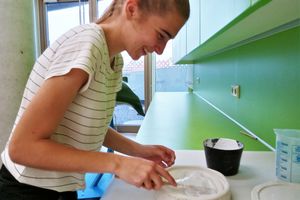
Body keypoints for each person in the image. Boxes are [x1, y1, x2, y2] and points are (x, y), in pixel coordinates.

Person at [0, 0, 190, 199]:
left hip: (63, 187)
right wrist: (118, 164)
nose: (160, 49)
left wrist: (139, 150)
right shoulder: (86, 44)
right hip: (25, 190)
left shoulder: (115, 60)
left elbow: (91, 126)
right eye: (161, 35)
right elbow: (22, 148)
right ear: (132, 9)